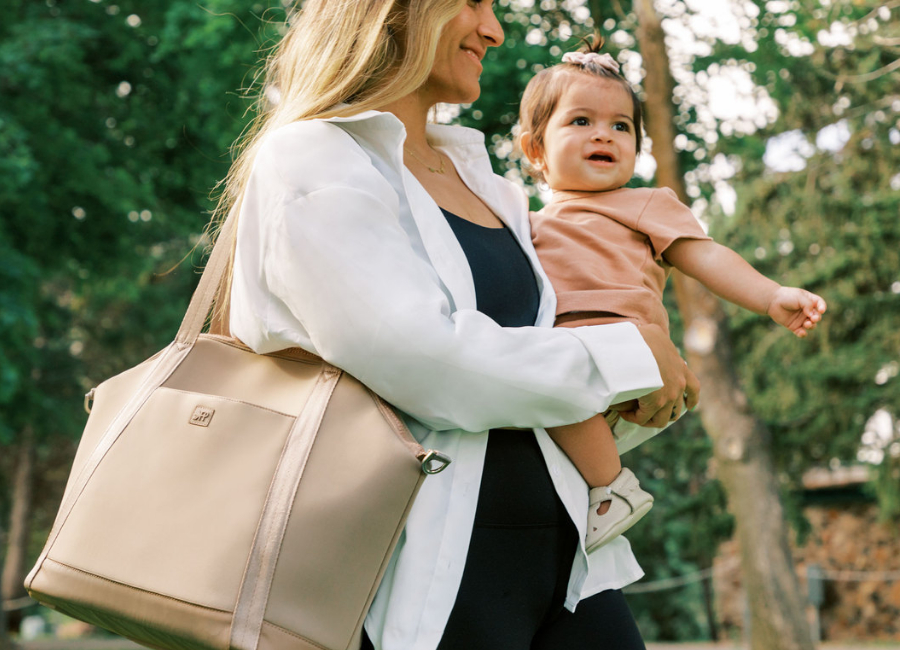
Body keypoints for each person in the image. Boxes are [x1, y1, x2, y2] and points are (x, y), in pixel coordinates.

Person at [214, 1, 699, 648]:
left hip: (568, 563)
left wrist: (638, 390)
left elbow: (532, 358)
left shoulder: (487, 182)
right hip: (423, 577)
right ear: (392, 13)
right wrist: (625, 358)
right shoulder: (313, 159)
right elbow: (422, 359)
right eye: (473, 3)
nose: (495, 30)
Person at [517, 37, 827, 554]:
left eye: (622, 126)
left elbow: (706, 256)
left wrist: (771, 296)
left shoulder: (643, 204)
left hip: (620, 343)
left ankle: (610, 490)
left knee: (557, 392)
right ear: (534, 150)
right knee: (546, 405)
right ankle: (587, 498)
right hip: (569, 345)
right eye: (581, 121)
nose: (605, 135)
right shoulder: (523, 222)